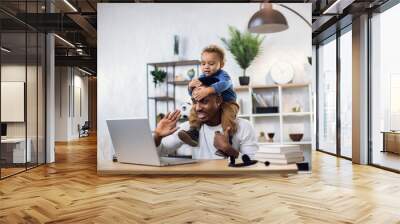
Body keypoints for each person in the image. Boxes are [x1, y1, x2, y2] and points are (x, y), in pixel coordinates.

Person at [153, 86, 258, 160]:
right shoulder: (188, 128)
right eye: (195, 102)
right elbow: (159, 152)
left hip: (233, 187)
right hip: (200, 187)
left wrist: (228, 149)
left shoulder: (244, 126)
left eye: (204, 101)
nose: (198, 108)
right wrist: (158, 136)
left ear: (218, 100)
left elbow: (253, 165)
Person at [178, 45, 239, 152]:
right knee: (193, 110)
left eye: (211, 64)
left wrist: (207, 90)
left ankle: (227, 139)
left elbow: (225, 84)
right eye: (203, 63)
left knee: (228, 116)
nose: (206, 66)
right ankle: (194, 132)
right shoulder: (203, 76)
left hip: (228, 102)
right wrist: (190, 86)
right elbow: (194, 93)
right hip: (211, 104)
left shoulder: (223, 75)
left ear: (221, 64)